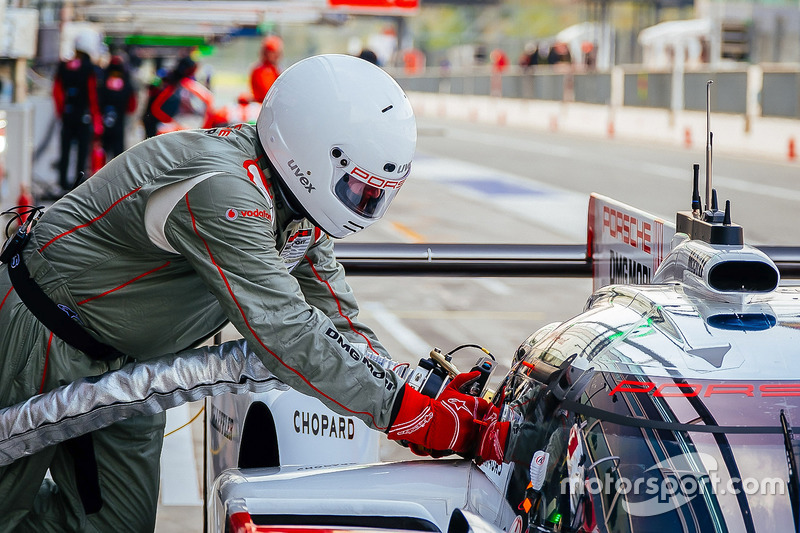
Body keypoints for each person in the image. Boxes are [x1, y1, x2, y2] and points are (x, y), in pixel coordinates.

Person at [0, 54, 501, 532]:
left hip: (126, 361)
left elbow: (340, 322)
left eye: (376, 195)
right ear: (312, 154)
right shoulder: (225, 189)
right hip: (41, 331)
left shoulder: (296, 204)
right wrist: (404, 412)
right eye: (357, 189)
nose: (363, 206)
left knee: (115, 524)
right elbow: (284, 330)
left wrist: (418, 391)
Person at [52, 32, 103, 193]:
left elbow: (57, 91)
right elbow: (93, 95)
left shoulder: (64, 66)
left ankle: (62, 182)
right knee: (82, 151)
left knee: (65, 149)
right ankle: (79, 184)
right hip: (83, 116)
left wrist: (62, 112)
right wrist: (96, 120)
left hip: (68, 116)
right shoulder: (90, 68)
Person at [149, 56, 215, 134]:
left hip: (171, 123)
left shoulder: (177, 84)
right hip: (177, 124)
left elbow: (155, 107)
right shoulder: (183, 85)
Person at [98, 54, 137, 160]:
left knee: (103, 150)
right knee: (117, 153)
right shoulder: (126, 81)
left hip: (104, 121)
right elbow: (131, 105)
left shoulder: (103, 81)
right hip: (119, 121)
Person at [250, 35, 283, 103]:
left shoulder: (275, 68)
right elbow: (269, 94)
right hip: (265, 106)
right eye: (273, 52)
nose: (278, 55)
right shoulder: (263, 70)